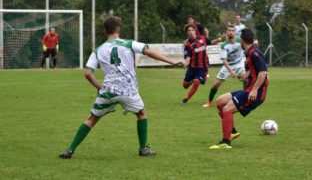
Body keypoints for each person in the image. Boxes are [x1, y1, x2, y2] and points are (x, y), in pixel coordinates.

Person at [59, 16, 183, 159]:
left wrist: (99, 87)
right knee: (141, 114)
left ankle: (70, 150)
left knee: (91, 119)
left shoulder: (98, 50)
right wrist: (172, 62)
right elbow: (149, 51)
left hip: (108, 91)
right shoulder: (129, 43)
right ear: (118, 29)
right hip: (127, 90)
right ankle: (143, 149)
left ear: (105, 31)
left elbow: (88, 74)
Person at [209, 28, 268, 149]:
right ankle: (232, 132)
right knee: (220, 101)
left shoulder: (254, 53)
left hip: (255, 92)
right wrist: (247, 77)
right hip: (249, 89)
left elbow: (263, 73)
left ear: (242, 40)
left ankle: (226, 142)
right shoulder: (250, 51)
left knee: (227, 109)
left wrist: (254, 90)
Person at [203, 25, 246, 108]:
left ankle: (244, 99)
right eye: (229, 30)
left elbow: (249, 44)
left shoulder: (240, 41)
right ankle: (209, 102)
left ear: (235, 32)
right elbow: (224, 61)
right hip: (228, 66)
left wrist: (255, 43)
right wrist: (231, 71)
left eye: (232, 30)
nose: (231, 32)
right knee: (215, 85)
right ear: (226, 32)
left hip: (238, 63)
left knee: (245, 76)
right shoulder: (224, 45)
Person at [182, 24, 221, 104]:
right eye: (189, 31)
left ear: (195, 31)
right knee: (185, 85)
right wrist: (186, 63)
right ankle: (193, 80)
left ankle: (186, 99)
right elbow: (188, 57)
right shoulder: (187, 44)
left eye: (192, 30)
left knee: (197, 81)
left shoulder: (202, 38)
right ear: (187, 33)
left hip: (203, 67)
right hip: (192, 67)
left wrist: (220, 39)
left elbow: (211, 42)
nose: (191, 32)